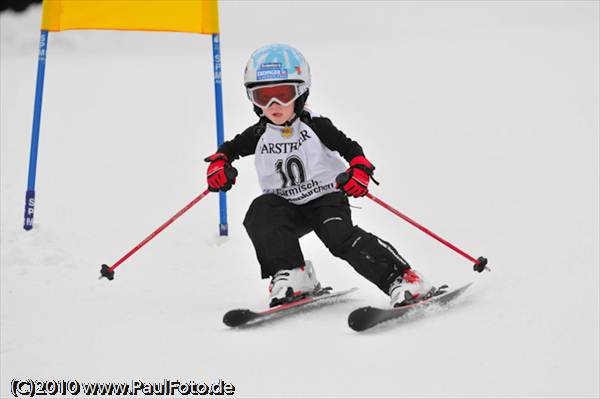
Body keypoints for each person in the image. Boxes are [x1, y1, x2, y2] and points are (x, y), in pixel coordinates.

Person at [205, 44, 434, 308]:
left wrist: (358, 169)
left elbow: (350, 147)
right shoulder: (259, 133)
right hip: (288, 206)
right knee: (261, 212)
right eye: (263, 97)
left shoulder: (315, 125)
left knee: (338, 237)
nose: (273, 105)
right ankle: (294, 274)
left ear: (301, 92)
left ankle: (403, 278)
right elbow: (229, 149)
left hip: (326, 198)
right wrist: (220, 164)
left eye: (283, 94)